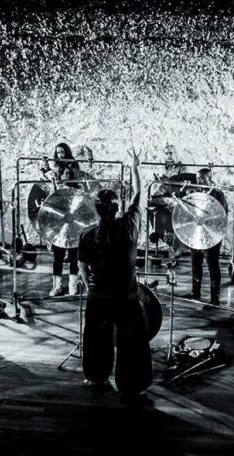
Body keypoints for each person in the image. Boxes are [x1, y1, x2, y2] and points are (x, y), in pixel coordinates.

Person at [78, 149, 152, 405]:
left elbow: (81, 265)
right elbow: (139, 196)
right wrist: (134, 168)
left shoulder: (87, 234)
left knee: (96, 337)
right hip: (126, 295)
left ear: (97, 210)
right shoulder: (129, 226)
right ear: (118, 208)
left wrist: (90, 288)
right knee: (132, 339)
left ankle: (97, 377)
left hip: (99, 295)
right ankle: (132, 385)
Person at [182, 167, 228, 307]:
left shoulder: (218, 194)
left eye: (201, 178)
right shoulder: (197, 192)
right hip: (198, 233)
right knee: (195, 263)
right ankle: (195, 292)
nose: (199, 181)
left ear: (210, 178)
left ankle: (215, 298)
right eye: (197, 179)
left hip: (211, 235)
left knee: (212, 266)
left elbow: (221, 214)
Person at [43, 143, 81, 296]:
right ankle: (57, 286)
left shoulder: (76, 187)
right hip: (59, 225)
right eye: (57, 152)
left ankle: (73, 285)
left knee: (73, 256)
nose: (60, 154)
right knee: (58, 256)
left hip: (73, 225)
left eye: (62, 152)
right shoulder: (55, 186)